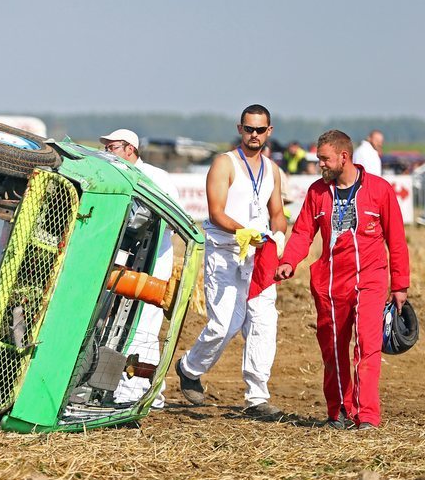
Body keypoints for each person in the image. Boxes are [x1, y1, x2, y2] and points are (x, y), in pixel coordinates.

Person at [275, 130, 409, 430]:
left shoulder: (379, 190)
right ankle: (339, 410)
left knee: (367, 344)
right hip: (330, 282)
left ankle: (367, 416)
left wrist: (399, 285)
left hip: (370, 279)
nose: (320, 164)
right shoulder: (316, 193)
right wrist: (288, 261)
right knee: (333, 348)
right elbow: (302, 233)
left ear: (343, 157)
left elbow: (397, 241)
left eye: (324, 159)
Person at [174, 104, 287, 419]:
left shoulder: (272, 170)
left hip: (258, 254)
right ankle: (190, 367)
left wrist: (277, 237)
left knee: (264, 323)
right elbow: (216, 212)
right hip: (225, 251)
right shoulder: (224, 164)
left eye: (260, 130)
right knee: (226, 323)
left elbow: (278, 213)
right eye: (248, 128)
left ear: (269, 132)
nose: (254, 135)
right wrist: (246, 232)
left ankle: (257, 398)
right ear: (240, 129)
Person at [99, 129, 179, 409]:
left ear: (130, 149)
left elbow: (173, 220)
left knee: (144, 323)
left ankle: (141, 389)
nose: (108, 152)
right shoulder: (113, 177)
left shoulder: (158, 178)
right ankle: (129, 387)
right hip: (124, 259)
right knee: (118, 323)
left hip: (154, 258)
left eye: (112, 147)